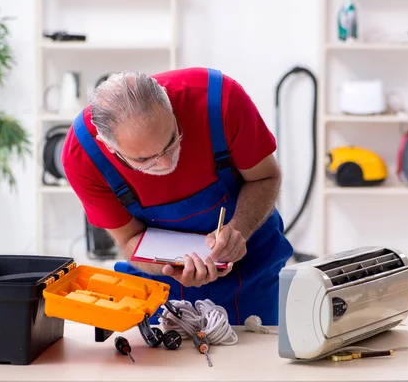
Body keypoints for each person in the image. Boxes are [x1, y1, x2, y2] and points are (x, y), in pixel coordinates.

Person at [61, 67, 294, 326]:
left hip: (252, 269)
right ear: (109, 148)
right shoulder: (84, 156)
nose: (166, 162)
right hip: (160, 286)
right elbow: (129, 241)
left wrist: (239, 229)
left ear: (169, 104)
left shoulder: (219, 100)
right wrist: (173, 266)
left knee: (255, 358)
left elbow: (265, 177)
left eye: (172, 140)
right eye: (144, 159)